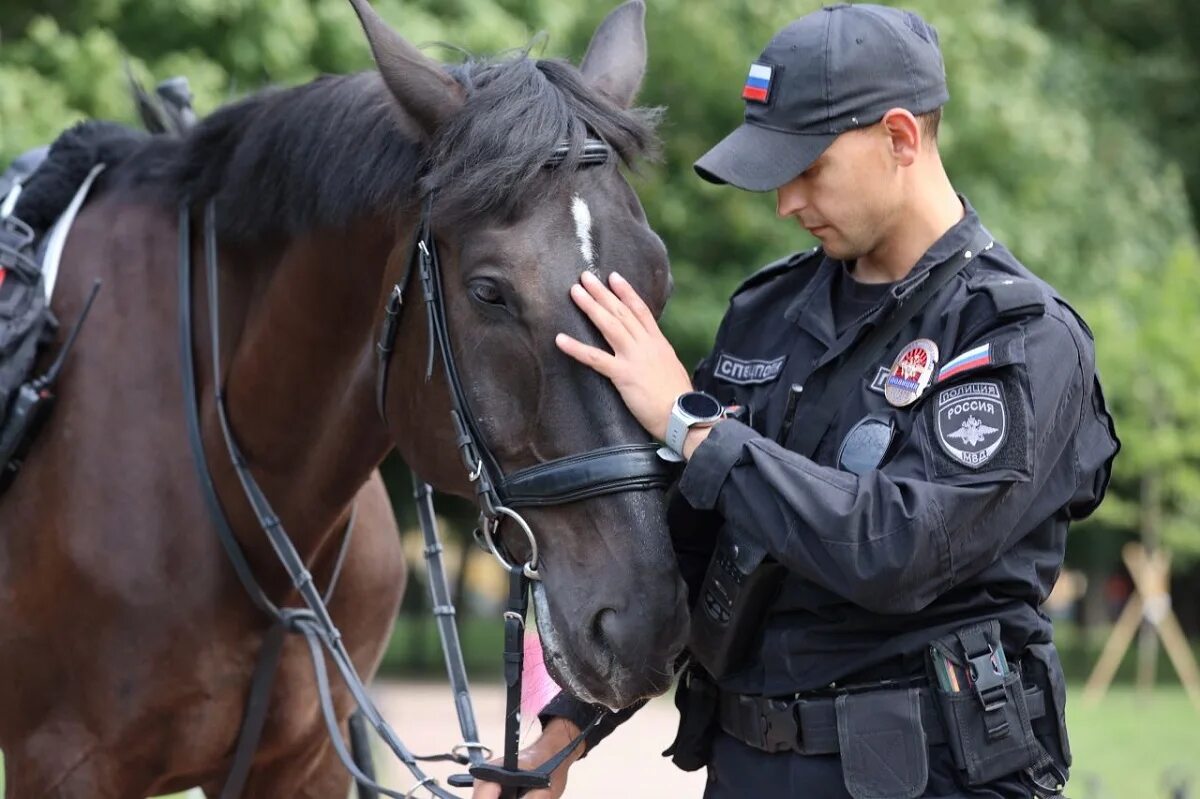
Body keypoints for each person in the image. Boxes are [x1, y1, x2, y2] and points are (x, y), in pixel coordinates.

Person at [475, 4, 1119, 798]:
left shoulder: (1017, 338)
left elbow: (897, 550)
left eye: (808, 168)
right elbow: (685, 548)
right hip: (746, 768)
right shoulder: (766, 314)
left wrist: (693, 427)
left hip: (933, 779)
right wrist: (561, 731)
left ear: (901, 138)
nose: (786, 202)